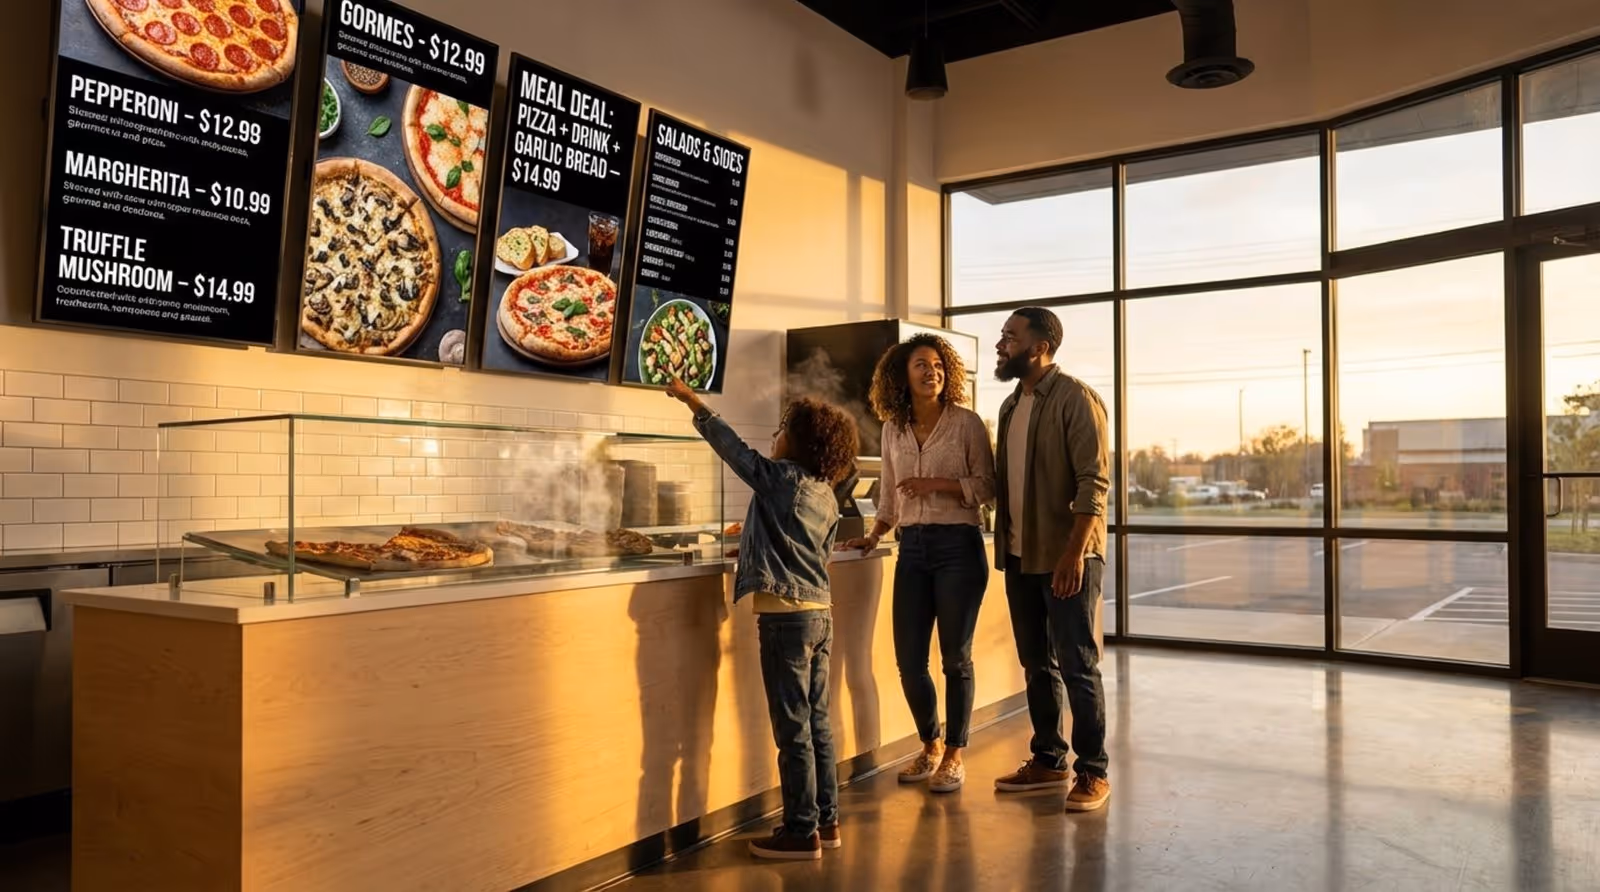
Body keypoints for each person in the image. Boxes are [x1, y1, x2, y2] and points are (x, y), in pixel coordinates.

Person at [664, 376, 860, 860]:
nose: (774, 437)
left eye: (781, 429)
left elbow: (736, 454)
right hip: (818, 614)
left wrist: (694, 402)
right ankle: (826, 820)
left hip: (785, 620)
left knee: (792, 727)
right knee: (817, 724)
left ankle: (800, 831)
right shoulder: (824, 492)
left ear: (797, 440)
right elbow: (808, 550)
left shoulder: (783, 479)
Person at [846, 334, 994, 794]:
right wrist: (872, 536)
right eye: (921, 365)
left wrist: (938, 484)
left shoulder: (967, 424)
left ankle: (954, 753)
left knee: (955, 658)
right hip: (912, 549)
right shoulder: (893, 429)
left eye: (938, 366)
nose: (932, 372)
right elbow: (889, 496)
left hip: (958, 547)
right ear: (902, 376)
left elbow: (987, 486)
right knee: (909, 660)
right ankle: (929, 744)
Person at [989, 307, 1113, 813]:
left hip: (1068, 557)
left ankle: (1093, 771)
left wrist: (1074, 552)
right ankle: (1048, 759)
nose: (1001, 345)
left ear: (1039, 346)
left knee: (1078, 665)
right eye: (1002, 336)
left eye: (1010, 337)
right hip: (1021, 555)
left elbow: (1094, 483)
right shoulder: (1009, 406)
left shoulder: (1075, 398)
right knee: (1036, 663)